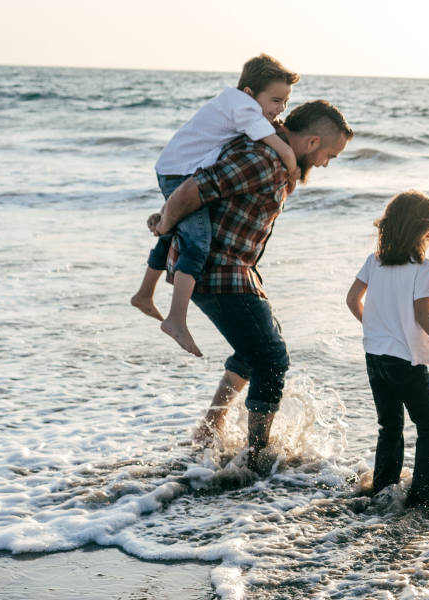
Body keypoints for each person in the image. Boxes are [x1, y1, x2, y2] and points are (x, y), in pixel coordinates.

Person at [148, 100, 354, 472]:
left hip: (235, 270)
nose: (326, 163)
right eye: (329, 155)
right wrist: (164, 224)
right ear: (311, 142)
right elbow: (194, 189)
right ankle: (257, 458)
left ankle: (209, 429)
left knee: (253, 349)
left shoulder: (276, 157)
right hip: (217, 271)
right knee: (271, 359)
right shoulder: (263, 158)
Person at [131, 54, 303, 358]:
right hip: (180, 173)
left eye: (286, 102)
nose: (280, 110)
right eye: (276, 100)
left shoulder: (236, 104)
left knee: (174, 233)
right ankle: (175, 319)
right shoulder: (244, 107)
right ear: (250, 93)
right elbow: (280, 147)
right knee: (198, 243)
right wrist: (291, 168)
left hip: (177, 168)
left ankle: (144, 294)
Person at [343, 190, 429, 508]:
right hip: (405, 359)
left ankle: (383, 489)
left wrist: (375, 328)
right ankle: (424, 496)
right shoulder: (423, 268)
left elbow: (351, 300)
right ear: (423, 231)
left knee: (390, 425)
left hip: (374, 354)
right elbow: (421, 313)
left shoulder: (374, 262)